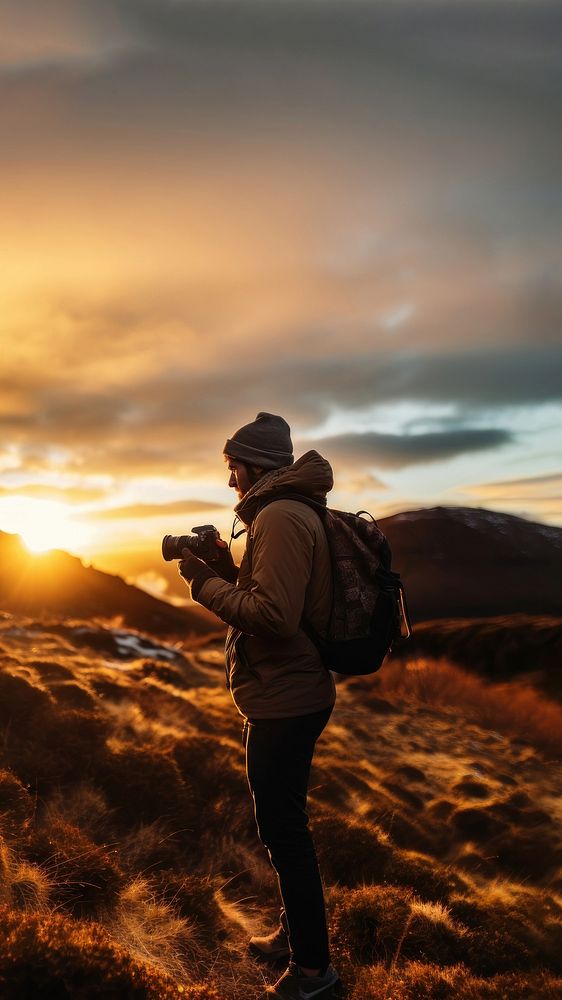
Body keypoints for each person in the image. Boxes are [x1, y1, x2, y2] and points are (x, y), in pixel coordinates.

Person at [178, 412, 339, 1000]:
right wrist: (227, 569)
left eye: (232, 468)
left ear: (253, 467)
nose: (229, 482)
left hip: (286, 699)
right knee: (283, 826)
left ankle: (314, 972)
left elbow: (273, 618)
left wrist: (204, 585)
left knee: (283, 831)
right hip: (288, 691)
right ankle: (296, 939)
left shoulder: (281, 517)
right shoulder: (287, 514)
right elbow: (274, 595)